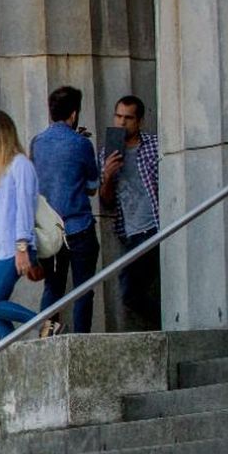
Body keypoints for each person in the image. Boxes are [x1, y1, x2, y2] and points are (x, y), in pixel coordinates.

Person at [30, 85, 102, 335]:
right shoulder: (81, 144)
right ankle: (81, 340)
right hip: (78, 226)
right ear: (74, 114)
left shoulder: (37, 143)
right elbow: (93, 186)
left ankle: (46, 339)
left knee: (53, 288)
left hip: (50, 230)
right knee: (84, 289)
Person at [0, 110, 42, 340]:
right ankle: (9, 355)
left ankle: (44, 323)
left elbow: (25, 208)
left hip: (13, 246)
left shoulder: (20, 165)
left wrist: (22, 246)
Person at [99, 95, 161, 329]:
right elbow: (106, 203)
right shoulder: (107, 153)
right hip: (131, 233)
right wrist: (108, 176)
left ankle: (168, 324)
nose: (122, 123)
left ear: (139, 121)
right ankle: (165, 323)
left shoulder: (154, 146)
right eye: (118, 116)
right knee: (130, 293)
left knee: (135, 288)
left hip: (156, 226)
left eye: (128, 118)